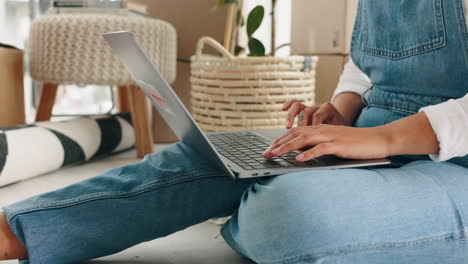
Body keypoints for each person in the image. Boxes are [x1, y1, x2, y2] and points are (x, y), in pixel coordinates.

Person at [1, 0, 468, 263]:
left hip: (453, 163)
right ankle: (16, 230)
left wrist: (382, 139)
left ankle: (258, 203)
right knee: (209, 155)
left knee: (293, 210)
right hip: (372, 141)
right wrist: (343, 113)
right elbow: (366, 68)